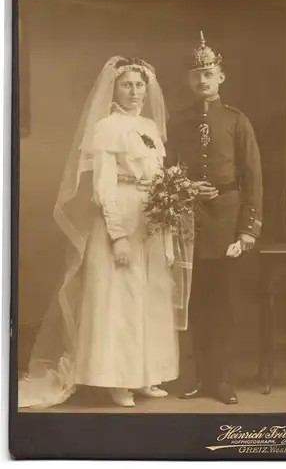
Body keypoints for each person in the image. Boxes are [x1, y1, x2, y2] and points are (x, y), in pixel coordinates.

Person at [19, 56, 182, 409]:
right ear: (114, 88)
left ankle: (144, 375)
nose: (135, 91)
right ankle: (117, 380)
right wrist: (118, 234)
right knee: (118, 299)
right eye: (127, 85)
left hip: (149, 218)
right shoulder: (107, 126)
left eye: (140, 85)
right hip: (120, 213)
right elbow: (104, 184)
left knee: (147, 297)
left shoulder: (150, 128)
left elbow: (157, 178)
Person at [165, 32, 263, 405]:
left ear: (221, 77)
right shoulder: (178, 122)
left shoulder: (237, 122)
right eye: (196, 75)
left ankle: (221, 381)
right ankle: (198, 379)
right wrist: (187, 189)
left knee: (223, 304)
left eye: (209, 73)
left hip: (226, 222)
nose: (202, 80)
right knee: (193, 304)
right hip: (189, 222)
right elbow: (166, 170)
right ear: (189, 81)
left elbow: (253, 176)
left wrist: (249, 229)